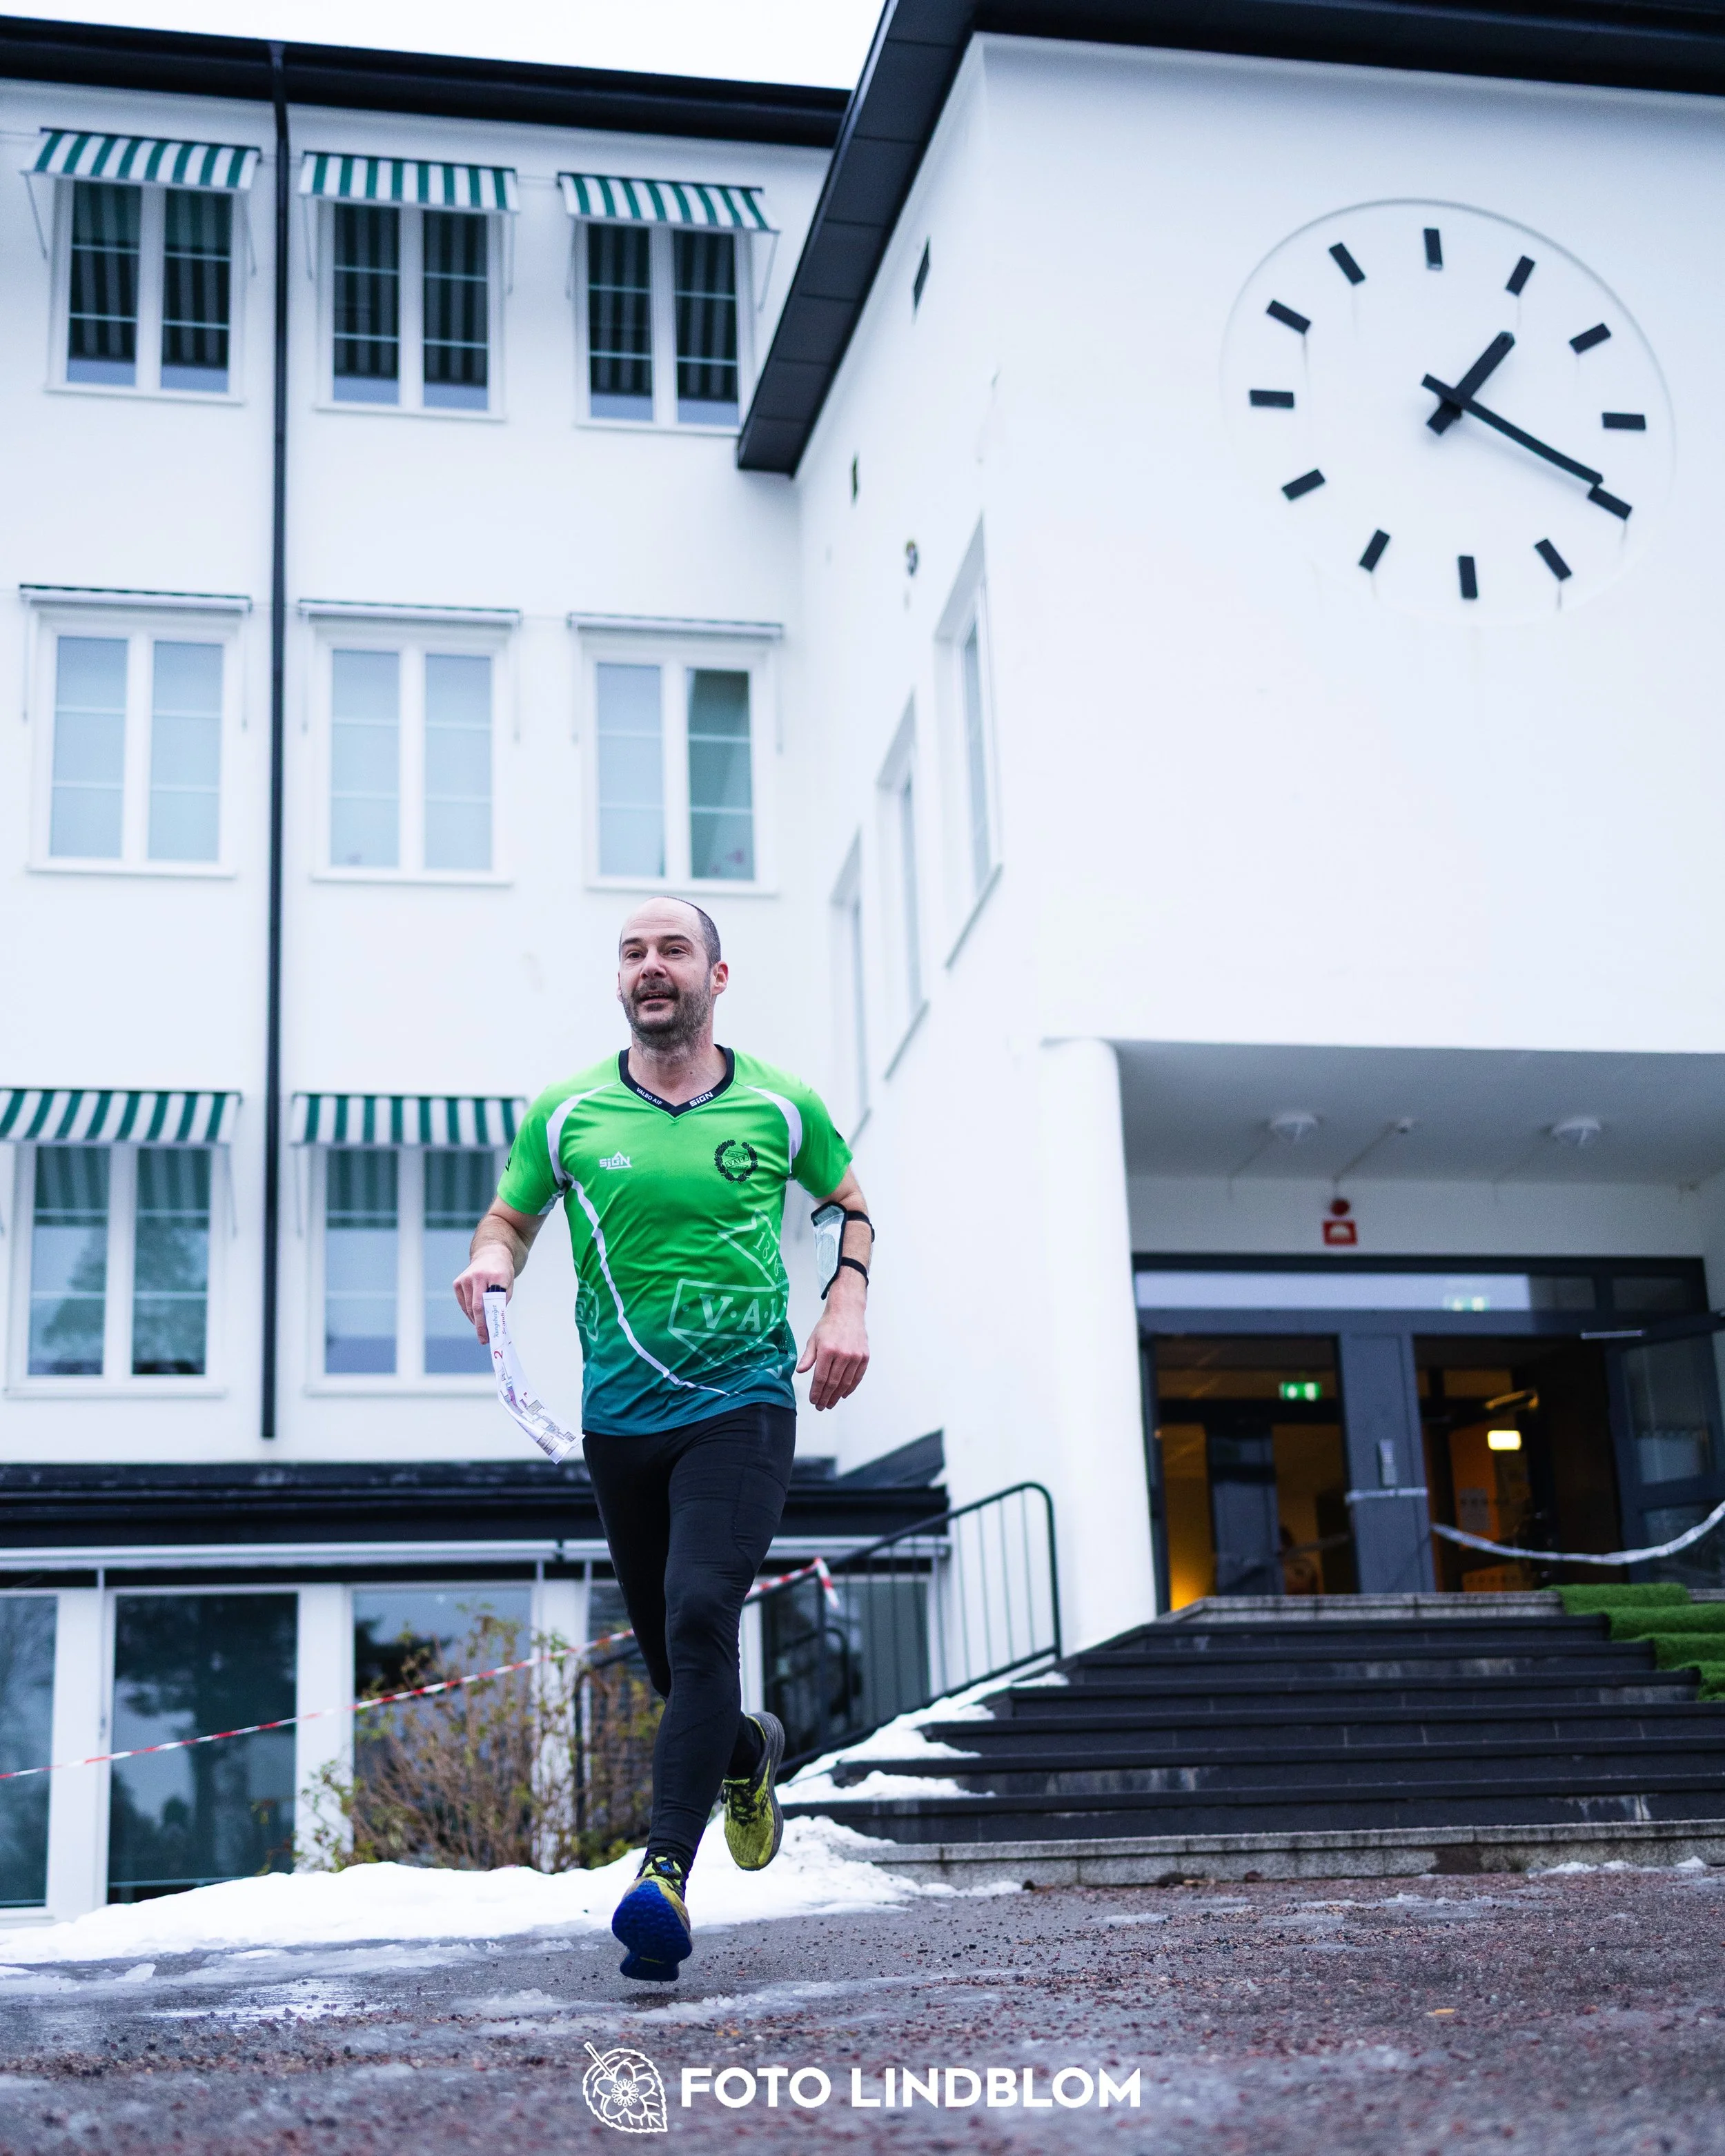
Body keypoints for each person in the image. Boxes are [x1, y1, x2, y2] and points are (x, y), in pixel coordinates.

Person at [453, 897, 873, 1982]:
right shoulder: (568, 1113)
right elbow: (512, 1218)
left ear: (715, 978)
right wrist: (494, 1262)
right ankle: (747, 1752)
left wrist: (844, 1304)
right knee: (672, 1665)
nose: (652, 967)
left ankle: (662, 1880)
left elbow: (847, 1204)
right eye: (634, 952)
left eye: (673, 950)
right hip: (619, 1421)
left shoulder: (782, 1106)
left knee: (700, 1616)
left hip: (741, 1403)